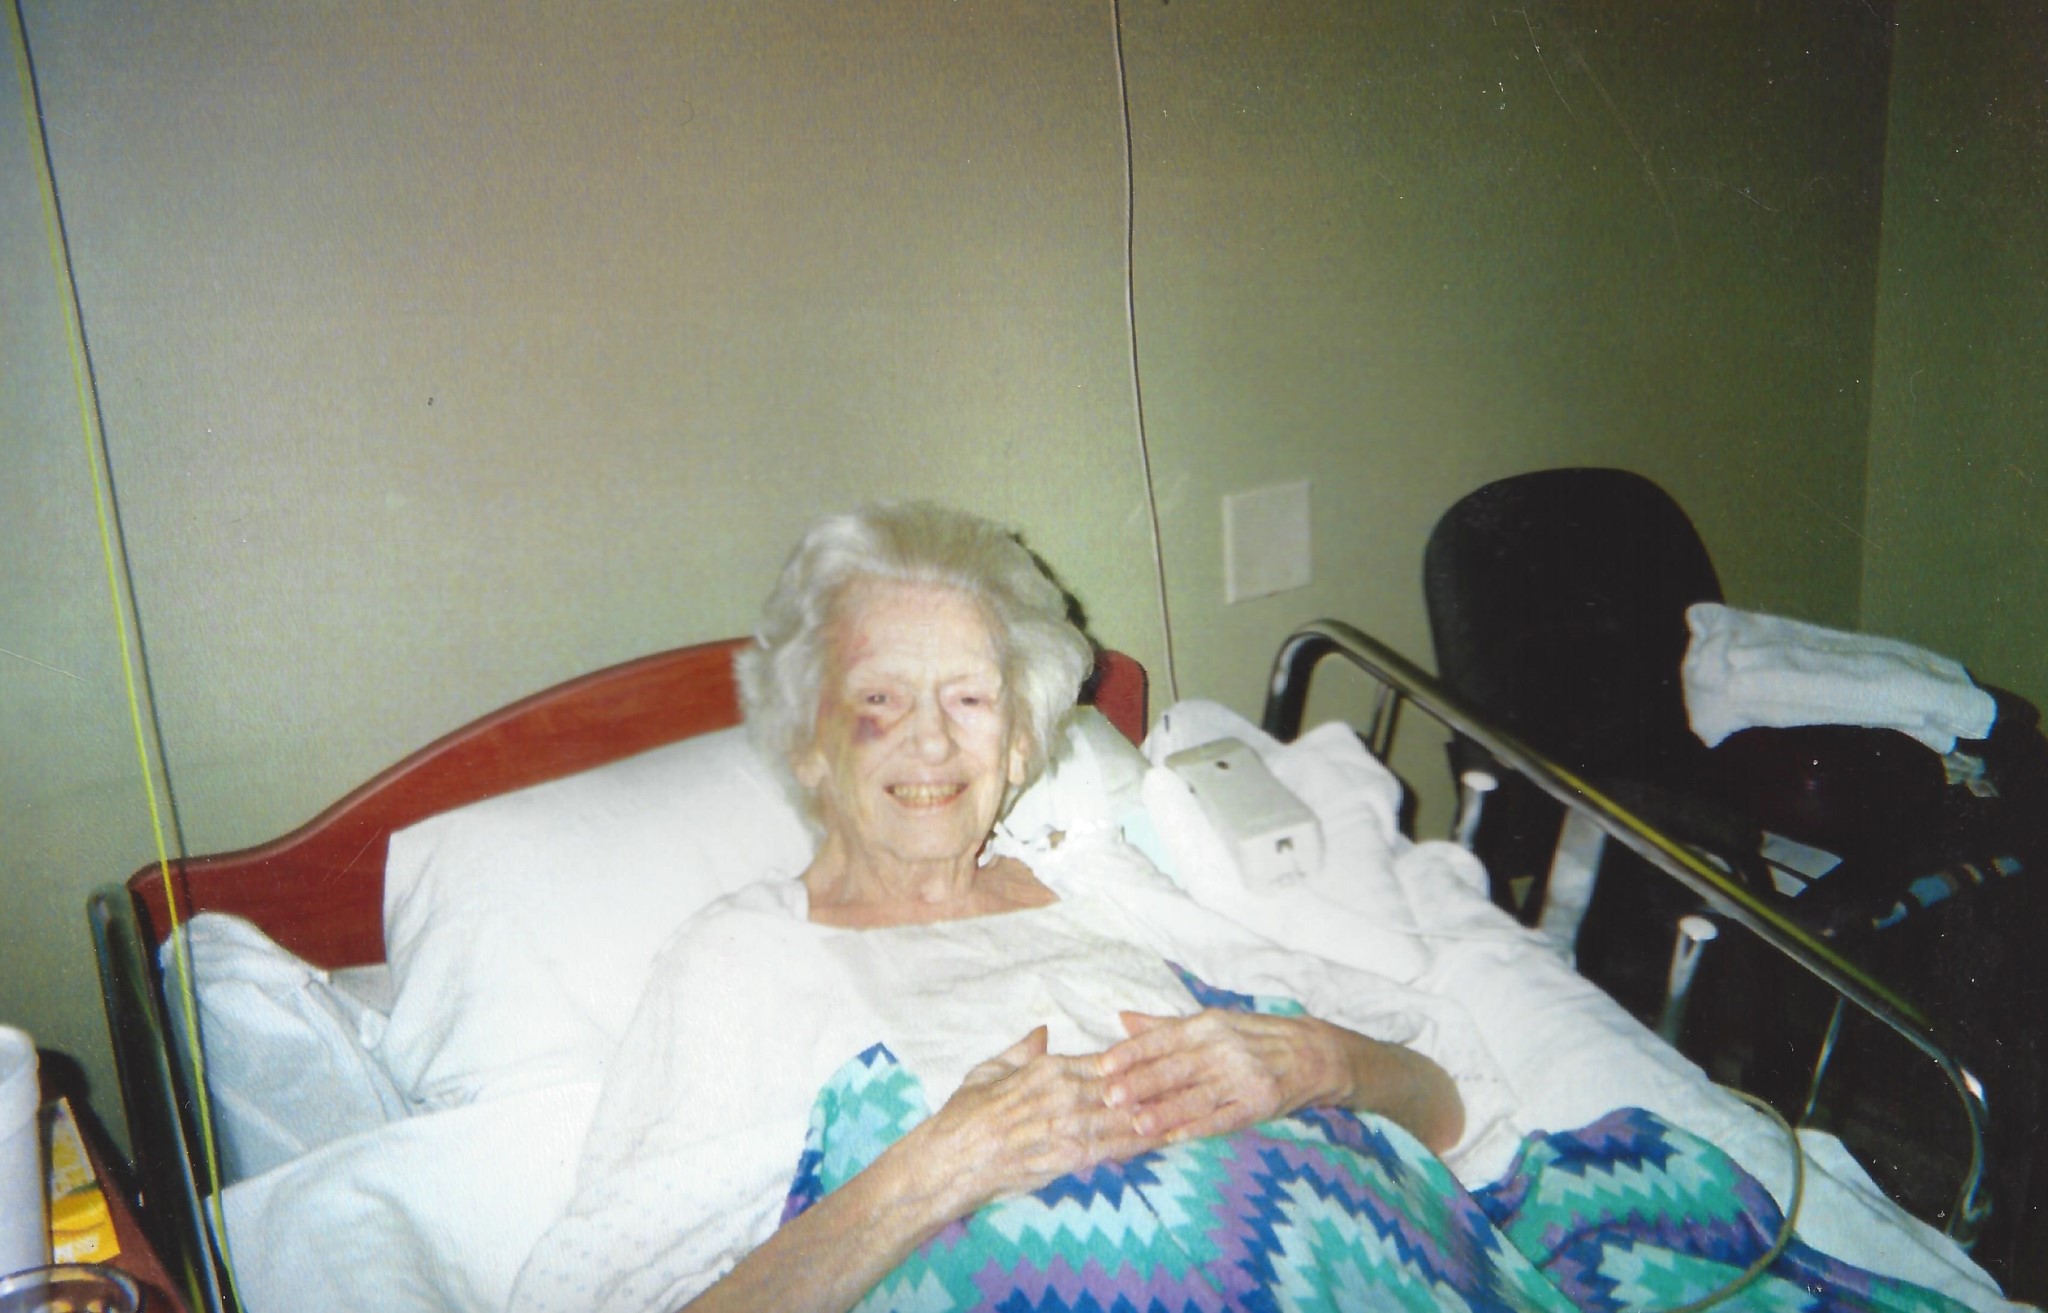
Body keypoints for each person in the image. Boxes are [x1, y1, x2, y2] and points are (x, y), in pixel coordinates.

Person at [509, 503, 1978, 1313]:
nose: (931, 748)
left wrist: (1324, 1061)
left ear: (1021, 741)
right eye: (879, 704)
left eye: (970, 701)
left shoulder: (1101, 882)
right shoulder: (744, 959)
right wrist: (932, 1169)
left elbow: (1452, 1100)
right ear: (807, 741)